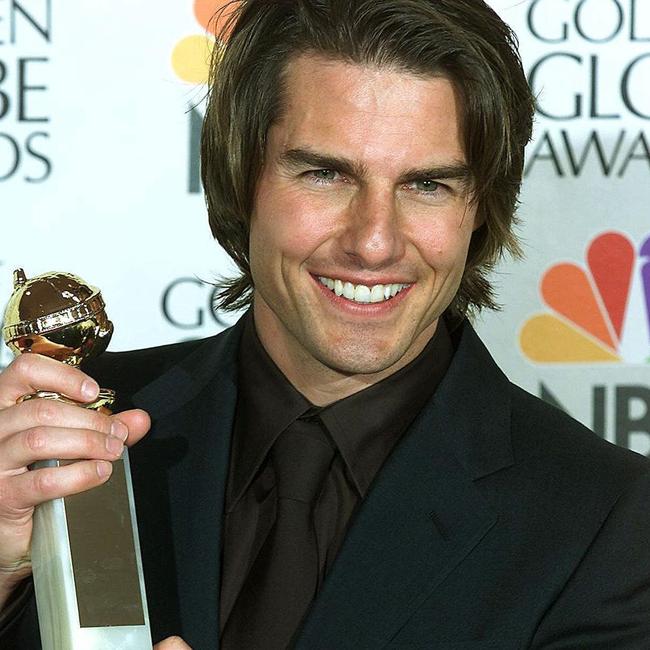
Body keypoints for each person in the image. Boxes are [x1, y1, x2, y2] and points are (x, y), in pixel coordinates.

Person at [2, 1, 650, 648]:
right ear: (239, 175)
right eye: (325, 174)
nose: (373, 243)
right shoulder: (69, 432)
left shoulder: (603, 521)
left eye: (427, 185)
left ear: (480, 207)